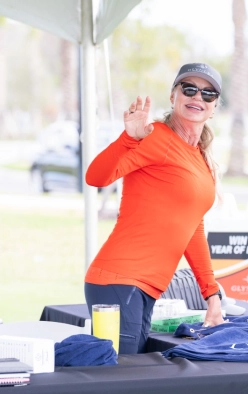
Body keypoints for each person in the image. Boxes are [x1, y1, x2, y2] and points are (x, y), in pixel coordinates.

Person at [84, 62, 225, 354]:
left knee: (130, 382)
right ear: (173, 96)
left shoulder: (200, 157)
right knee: (119, 382)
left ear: (214, 106)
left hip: (144, 289)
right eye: (189, 89)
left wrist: (211, 294)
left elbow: (192, 226)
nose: (197, 98)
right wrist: (129, 138)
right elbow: (96, 177)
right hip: (119, 280)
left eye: (207, 94)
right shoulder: (157, 138)